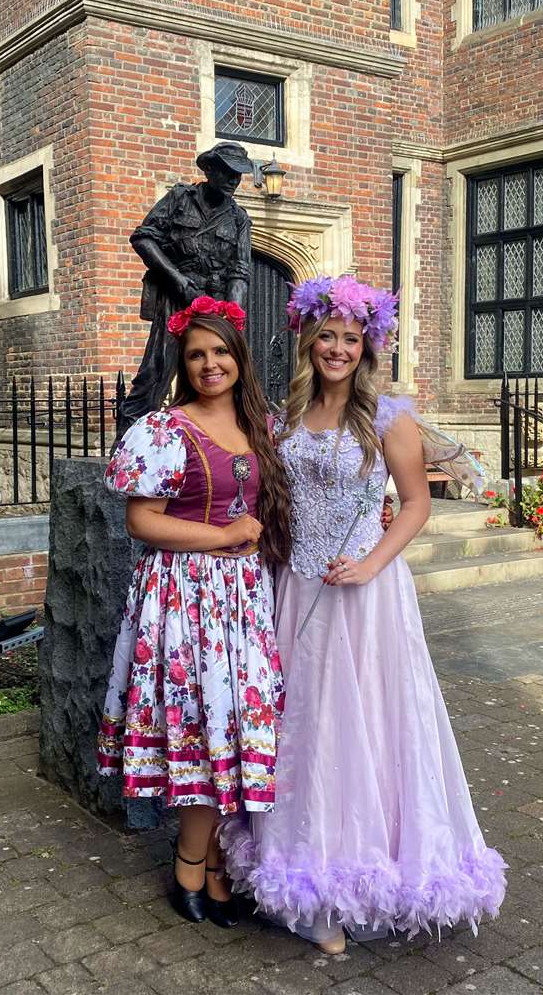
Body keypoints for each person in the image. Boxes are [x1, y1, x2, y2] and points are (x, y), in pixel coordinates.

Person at [222, 275, 508, 953]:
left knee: (369, 730)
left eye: (351, 338)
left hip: (367, 597)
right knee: (306, 729)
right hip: (293, 591)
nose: (338, 349)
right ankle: (309, 882)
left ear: (367, 346)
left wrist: (372, 563)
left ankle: (363, 876)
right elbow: (266, 500)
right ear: (308, 341)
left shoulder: (388, 418)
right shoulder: (282, 416)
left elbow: (415, 504)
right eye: (327, 336)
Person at [97, 295, 292, 928]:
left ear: (239, 357)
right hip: (183, 597)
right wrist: (227, 535)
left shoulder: (263, 424)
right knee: (199, 724)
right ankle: (192, 861)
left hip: (244, 597)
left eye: (220, 352)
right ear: (184, 363)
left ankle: (212, 860)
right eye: (196, 355)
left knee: (235, 727)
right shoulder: (165, 428)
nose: (210, 364)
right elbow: (140, 520)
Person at [119, 142, 259, 426]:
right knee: (157, 368)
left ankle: (219, 432)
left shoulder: (239, 219)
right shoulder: (180, 198)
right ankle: (130, 436)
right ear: (209, 170)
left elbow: (239, 271)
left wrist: (231, 318)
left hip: (216, 300)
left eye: (239, 175)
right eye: (228, 172)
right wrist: (178, 280)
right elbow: (143, 238)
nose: (234, 180)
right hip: (177, 295)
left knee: (219, 369)